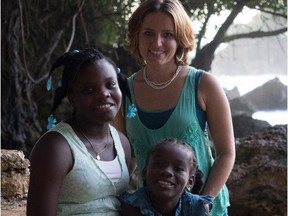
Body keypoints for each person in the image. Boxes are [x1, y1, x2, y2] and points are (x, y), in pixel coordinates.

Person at [114, 0, 235, 215]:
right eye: (148, 33)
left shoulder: (204, 84)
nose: (157, 43)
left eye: (168, 34)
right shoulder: (124, 92)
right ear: (137, 36)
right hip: (150, 209)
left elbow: (226, 153)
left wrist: (202, 203)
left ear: (180, 38)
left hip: (206, 208)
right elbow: (125, 160)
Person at [27, 48, 132, 216]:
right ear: (72, 98)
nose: (104, 94)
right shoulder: (56, 147)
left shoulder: (122, 144)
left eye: (110, 85)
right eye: (89, 90)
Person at [120, 138, 215, 216]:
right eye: (158, 164)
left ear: (190, 181)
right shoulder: (133, 206)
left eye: (178, 168)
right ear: (145, 172)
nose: (167, 172)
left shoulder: (197, 208)